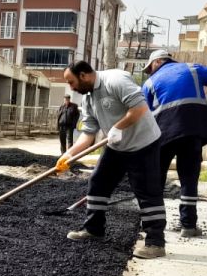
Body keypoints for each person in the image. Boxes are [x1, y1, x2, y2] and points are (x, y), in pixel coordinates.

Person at [56, 60, 167, 258]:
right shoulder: (88, 99)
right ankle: (94, 230)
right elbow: (88, 134)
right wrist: (69, 154)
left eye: (71, 82)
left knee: (147, 191)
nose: (70, 87)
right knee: (98, 182)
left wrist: (118, 127)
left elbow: (140, 108)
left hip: (143, 143)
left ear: (83, 75)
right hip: (116, 146)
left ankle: (155, 243)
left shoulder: (115, 80)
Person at [141, 49, 207, 238]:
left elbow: (146, 116)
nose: (151, 72)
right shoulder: (192, 69)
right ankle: (188, 226)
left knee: (156, 179)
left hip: (164, 133)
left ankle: (153, 226)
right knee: (189, 177)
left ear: (157, 62)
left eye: (150, 68)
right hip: (193, 129)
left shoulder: (149, 83)